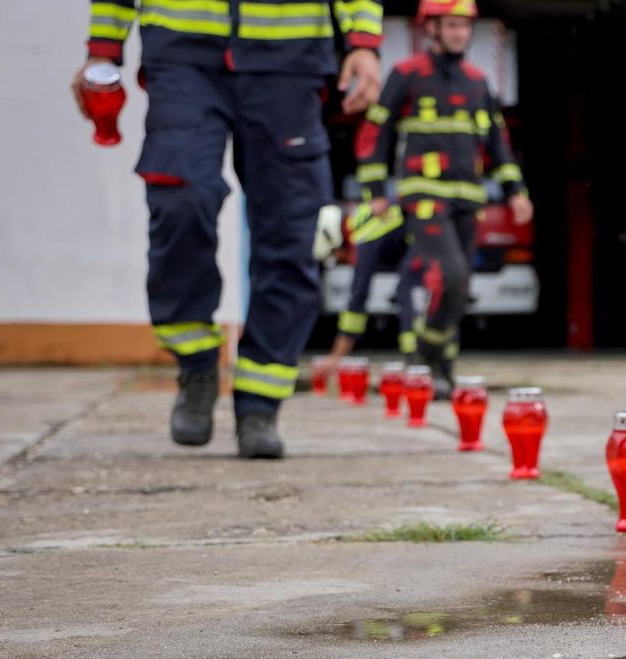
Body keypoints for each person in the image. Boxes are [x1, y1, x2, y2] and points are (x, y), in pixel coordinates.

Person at [74, 0, 383, 458]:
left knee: (296, 234)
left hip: (287, 59)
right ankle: (196, 365)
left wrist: (363, 42)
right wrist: (103, 50)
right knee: (180, 200)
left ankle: (261, 402)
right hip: (183, 56)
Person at [355, 0, 532, 399]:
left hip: (469, 201)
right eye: (451, 25)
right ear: (431, 28)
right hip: (424, 198)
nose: (459, 33)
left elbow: (498, 144)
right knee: (450, 275)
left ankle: (440, 368)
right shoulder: (406, 76)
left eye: (464, 26)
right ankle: (427, 354)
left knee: (458, 286)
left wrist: (515, 192)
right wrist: (375, 193)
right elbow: (375, 135)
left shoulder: (477, 82)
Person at [313, 202, 410, 379]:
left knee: (406, 295)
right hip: (426, 242)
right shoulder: (359, 217)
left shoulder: (363, 234)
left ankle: (416, 363)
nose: (340, 258)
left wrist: (336, 356)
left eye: (335, 253)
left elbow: (358, 296)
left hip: (425, 245)